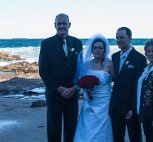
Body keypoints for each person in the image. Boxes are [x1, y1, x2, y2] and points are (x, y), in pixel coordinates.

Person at [39, 13, 82, 142]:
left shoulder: (77, 43)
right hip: (54, 94)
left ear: (69, 25)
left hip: (72, 94)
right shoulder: (46, 44)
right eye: (59, 24)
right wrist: (59, 88)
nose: (62, 26)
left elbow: (80, 68)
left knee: (71, 127)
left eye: (64, 23)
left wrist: (75, 88)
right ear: (55, 25)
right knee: (54, 128)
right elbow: (43, 70)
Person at [74, 34, 114, 142]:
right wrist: (86, 90)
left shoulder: (110, 64)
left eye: (100, 48)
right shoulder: (86, 64)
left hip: (105, 103)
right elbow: (80, 82)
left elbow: (117, 82)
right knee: (87, 130)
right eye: (95, 48)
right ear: (91, 50)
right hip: (89, 103)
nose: (97, 50)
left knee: (103, 130)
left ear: (104, 49)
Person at [109, 27, 147, 142]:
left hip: (131, 107)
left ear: (130, 38)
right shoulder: (114, 57)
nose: (118, 40)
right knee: (117, 137)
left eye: (122, 37)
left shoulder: (140, 58)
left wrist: (133, 107)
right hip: (115, 106)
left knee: (135, 137)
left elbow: (139, 86)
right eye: (117, 38)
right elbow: (113, 78)